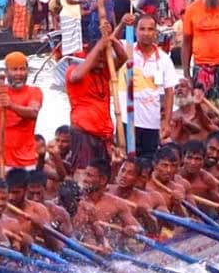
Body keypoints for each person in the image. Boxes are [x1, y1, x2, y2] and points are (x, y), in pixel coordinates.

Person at [65, 14, 132, 171]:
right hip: (84, 133)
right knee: (84, 175)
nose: (102, 61)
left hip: (104, 135)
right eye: (99, 57)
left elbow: (123, 58)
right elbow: (76, 76)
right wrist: (100, 46)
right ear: (90, 54)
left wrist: (111, 37)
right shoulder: (74, 70)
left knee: (103, 176)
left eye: (104, 58)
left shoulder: (105, 72)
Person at [0, 52, 42, 177]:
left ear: (27, 71)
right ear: (6, 72)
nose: (19, 74)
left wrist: (11, 105)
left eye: (22, 69)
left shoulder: (34, 92)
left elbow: (33, 112)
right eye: (14, 70)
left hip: (26, 160)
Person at [130, 14, 178, 155]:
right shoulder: (126, 52)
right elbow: (108, 44)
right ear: (135, 31)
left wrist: (167, 123)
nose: (146, 33)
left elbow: (170, 92)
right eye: (142, 29)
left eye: (150, 29)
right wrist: (121, 24)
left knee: (147, 164)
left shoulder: (164, 59)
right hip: (128, 122)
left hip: (151, 122)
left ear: (156, 32)